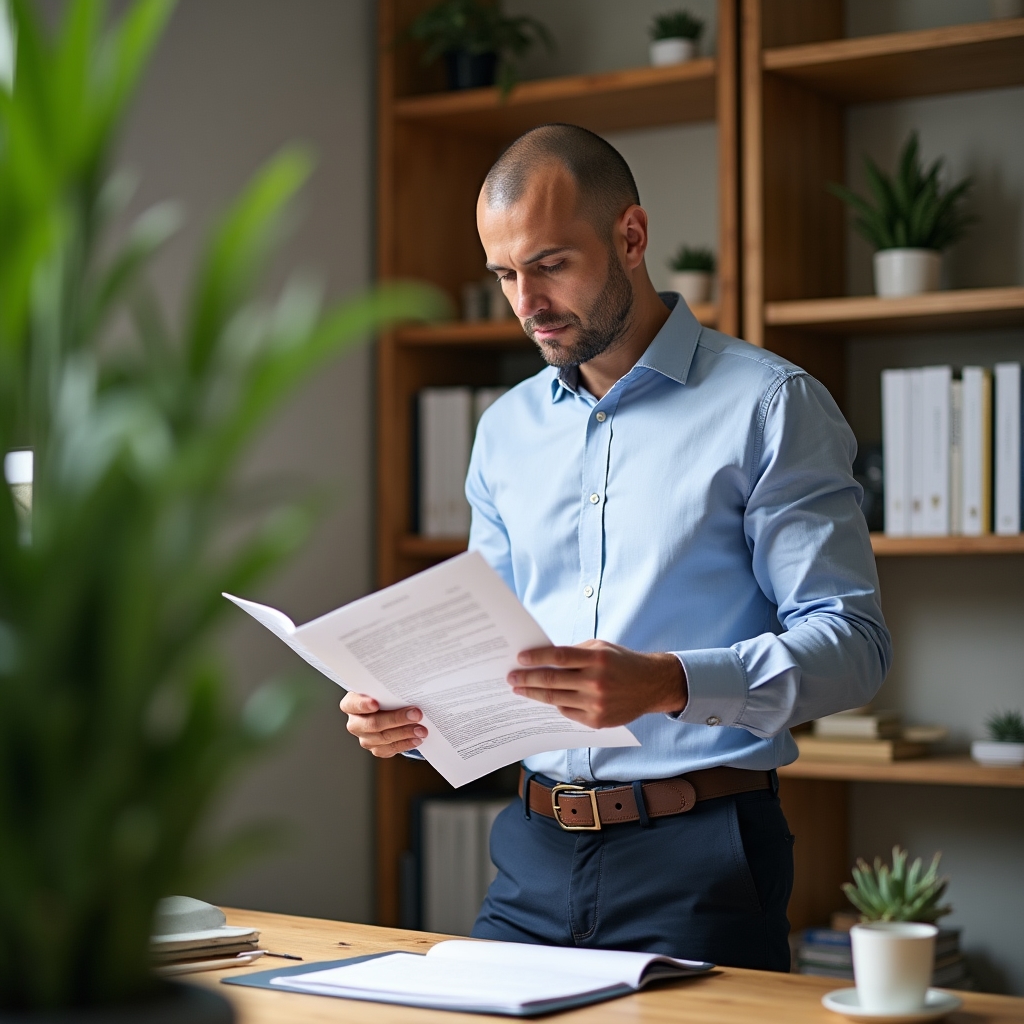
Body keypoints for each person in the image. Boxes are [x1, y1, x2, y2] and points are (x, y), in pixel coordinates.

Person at [341, 123, 891, 970]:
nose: (525, 303)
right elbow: (496, 652)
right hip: (529, 853)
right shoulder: (504, 432)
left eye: (550, 264)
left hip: (701, 855)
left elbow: (854, 648)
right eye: (504, 275)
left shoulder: (771, 405)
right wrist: (411, 717)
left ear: (630, 237)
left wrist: (667, 683)